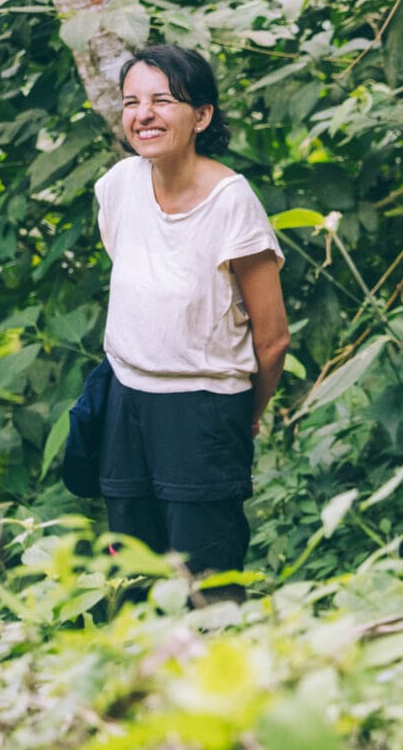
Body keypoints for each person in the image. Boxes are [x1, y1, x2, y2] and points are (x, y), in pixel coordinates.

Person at [95, 43, 289, 588]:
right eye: (132, 101)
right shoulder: (117, 187)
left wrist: (243, 415)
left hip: (204, 410)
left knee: (206, 580)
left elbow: (272, 340)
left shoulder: (232, 201)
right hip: (125, 399)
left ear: (201, 115)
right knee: (133, 573)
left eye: (162, 100)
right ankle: (142, 675)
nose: (143, 115)